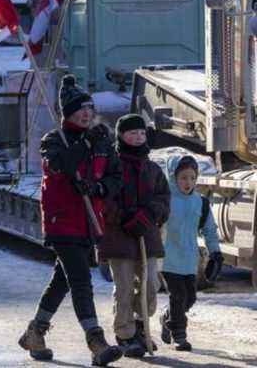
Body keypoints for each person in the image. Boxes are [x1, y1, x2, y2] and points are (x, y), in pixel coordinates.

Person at [19, 75, 123, 366]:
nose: (86, 113)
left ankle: (34, 333)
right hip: (62, 222)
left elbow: (116, 176)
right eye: (80, 109)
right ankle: (96, 341)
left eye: (89, 108)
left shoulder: (101, 141)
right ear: (67, 113)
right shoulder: (54, 141)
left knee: (62, 281)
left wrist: (99, 189)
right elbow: (60, 165)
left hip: (90, 222)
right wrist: (83, 145)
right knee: (80, 280)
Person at [98, 114, 170, 358]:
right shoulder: (112, 165)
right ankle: (125, 333)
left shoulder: (152, 168)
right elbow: (105, 199)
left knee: (151, 284)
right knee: (125, 287)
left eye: (141, 133)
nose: (138, 137)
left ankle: (141, 324)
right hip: (120, 237)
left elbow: (163, 197)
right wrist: (123, 218)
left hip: (146, 236)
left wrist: (149, 215)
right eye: (132, 133)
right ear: (121, 135)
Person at [160, 155, 223, 351]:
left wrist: (216, 253)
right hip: (168, 258)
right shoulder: (165, 200)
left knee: (190, 298)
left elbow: (210, 230)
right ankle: (179, 334)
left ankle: (167, 317)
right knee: (178, 295)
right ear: (173, 177)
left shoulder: (201, 203)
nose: (188, 182)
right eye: (183, 178)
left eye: (192, 178)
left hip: (189, 260)